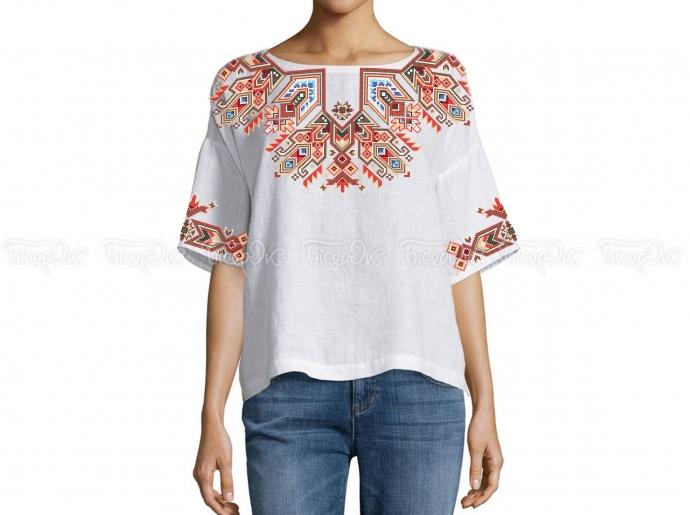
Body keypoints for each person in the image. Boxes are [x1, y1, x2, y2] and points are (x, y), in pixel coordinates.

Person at [178, 1, 519, 513]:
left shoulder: (439, 81)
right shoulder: (243, 85)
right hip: (286, 388)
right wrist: (211, 414)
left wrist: (486, 402)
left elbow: (461, 255)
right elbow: (231, 261)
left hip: (420, 385)